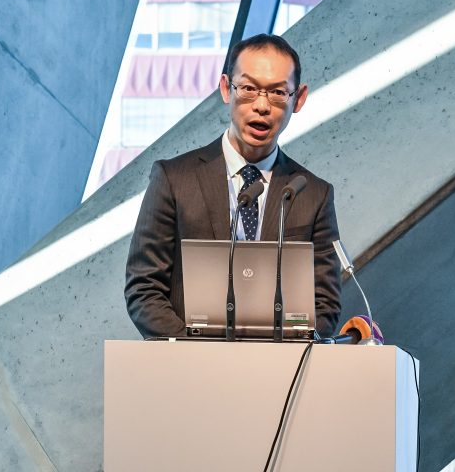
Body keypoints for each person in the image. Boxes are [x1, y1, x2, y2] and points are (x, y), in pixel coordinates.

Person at [124, 34, 341, 338]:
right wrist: (202, 354)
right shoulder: (174, 179)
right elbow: (144, 288)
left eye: (278, 92)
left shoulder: (313, 194)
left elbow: (325, 305)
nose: (262, 106)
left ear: (299, 98)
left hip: (277, 367)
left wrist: (271, 355)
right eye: (249, 89)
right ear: (226, 88)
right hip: (189, 363)